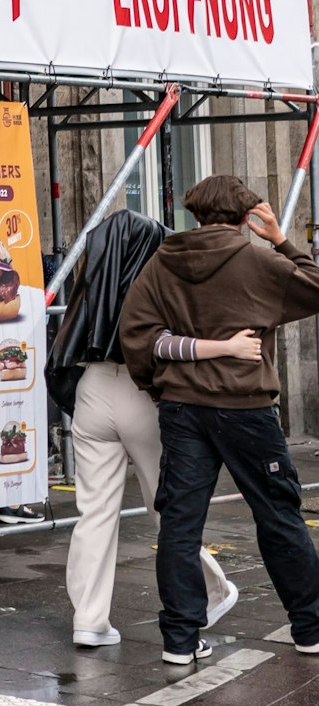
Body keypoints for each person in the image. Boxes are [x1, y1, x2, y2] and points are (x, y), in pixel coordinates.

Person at [119, 175, 319, 666]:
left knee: (181, 523)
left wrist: (160, 386)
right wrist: (279, 238)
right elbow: (315, 289)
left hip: (183, 410)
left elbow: (136, 333)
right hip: (246, 407)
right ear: (244, 215)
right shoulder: (256, 259)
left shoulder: (162, 261)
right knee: (277, 514)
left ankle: (180, 640)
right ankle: (310, 627)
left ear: (197, 213)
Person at [49, 211, 239, 648]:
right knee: (169, 510)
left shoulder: (94, 280)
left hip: (92, 389)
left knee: (94, 514)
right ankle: (209, 594)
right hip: (142, 393)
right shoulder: (155, 279)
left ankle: (89, 620)